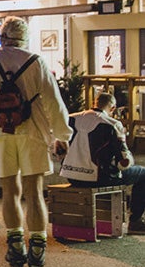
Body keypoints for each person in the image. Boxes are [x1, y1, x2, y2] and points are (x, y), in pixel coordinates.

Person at [0, 16, 72, 267]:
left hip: (0, 135)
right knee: (34, 192)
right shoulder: (36, 62)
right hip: (34, 134)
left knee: (10, 191)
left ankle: (15, 247)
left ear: (2, 38)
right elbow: (53, 100)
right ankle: (37, 249)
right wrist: (62, 135)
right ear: (25, 38)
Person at [60, 92, 145, 235]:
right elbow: (123, 162)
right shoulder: (112, 124)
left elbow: (59, 150)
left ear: (94, 103)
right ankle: (135, 222)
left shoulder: (70, 119)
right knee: (142, 173)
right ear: (112, 108)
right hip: (99, 179)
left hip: (72, 176)